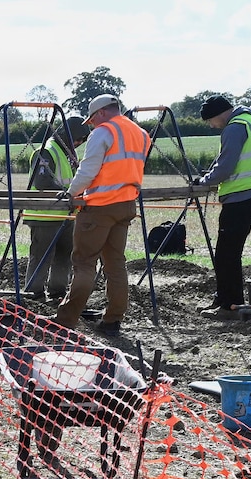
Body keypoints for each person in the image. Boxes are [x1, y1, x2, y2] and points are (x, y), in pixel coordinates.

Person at [54, 94, 150, 334]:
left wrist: (70, 193)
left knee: (84, 262)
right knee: (115, 263)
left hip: (99, 207)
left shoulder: (103, 132)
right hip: (126, 205)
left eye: (92, 120)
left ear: (101, 113)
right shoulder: (140, 134)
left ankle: (65, 320)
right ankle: (113, 320)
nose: (92, 125)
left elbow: (88, 170)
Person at [190, 94, 251, 315]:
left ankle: (229, 305)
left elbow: (225, 166)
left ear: (217, 114)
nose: (212, 126)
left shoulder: (234, 127)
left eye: (210, 121)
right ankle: (224, 299)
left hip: (241, 193)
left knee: (226, 254)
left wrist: (204, 180)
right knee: (229, 251)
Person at [22, 117, 81, 304]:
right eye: (77, 139)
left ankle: (57, 293)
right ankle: (34, 296)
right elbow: (42, 182)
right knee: (41, 257)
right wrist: (68, 193)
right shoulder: (47, 151)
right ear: (66, 136)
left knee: (64, 256)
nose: (79, 143)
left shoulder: (66, 153)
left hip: (66, 215)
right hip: (45, 215)